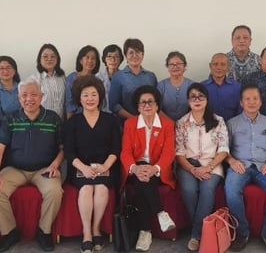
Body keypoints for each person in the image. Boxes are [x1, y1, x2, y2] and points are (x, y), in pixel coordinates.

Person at [0, 79, 63, 252]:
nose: (29, 99)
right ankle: (10, 231)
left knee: (55, 191)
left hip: (44, 169)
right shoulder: (11, 118)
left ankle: (44, 231)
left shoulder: (53, 118)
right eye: (24, 95)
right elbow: (1, 147)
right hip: (15, 169)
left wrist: (55, 165)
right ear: (19, 98)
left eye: (34, 94)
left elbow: (63, 148)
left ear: (42, 96)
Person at [225, 85, 266, 252]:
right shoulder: (231, 123)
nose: (251, 102)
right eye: (247, 99)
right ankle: (242, 233)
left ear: (261, 102)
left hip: (264, 167)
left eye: (255, 99)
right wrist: (231, 161)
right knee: (231, 192)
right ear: (241, 102)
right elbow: (224, 149)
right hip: (240, 166)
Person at [64, 76, 121, 253]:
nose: (90, 98)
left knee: (102, 189)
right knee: (87, 189)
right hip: (80, 169)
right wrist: (84, 168)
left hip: (106, 167)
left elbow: (116, 148)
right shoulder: (72, 122)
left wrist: (105, 166)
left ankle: (96, 229)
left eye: (94, 94)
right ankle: (87, 233)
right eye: (86, 95)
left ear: (100, 97)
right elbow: (69, 152)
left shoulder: (111, 120)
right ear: (79, 98)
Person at [120, 85, 176, 252]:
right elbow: (125, 152)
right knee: (142, 177)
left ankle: (145, 232)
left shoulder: (167, 125)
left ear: (157, 105)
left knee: (142, 183)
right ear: (138, 107)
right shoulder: (130, 124)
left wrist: (155, 168)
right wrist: (135, 169)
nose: (147, 105)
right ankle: (160, 214)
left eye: (150, 102)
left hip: (159, 169)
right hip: (136, 169)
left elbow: (169, 153)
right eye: (142, 102)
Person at [176, 82, 229, 251]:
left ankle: (196, 234)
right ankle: (202, 230)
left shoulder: (218, 121)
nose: (197, 100)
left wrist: (208, 167)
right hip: (188, 165)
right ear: (188, 101)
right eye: (193, 97)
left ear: (207, 99)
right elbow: (179, 153)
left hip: (212, 164)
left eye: (201, 96)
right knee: (189, 190)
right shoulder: (182, 122)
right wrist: (192, 169)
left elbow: (223, 150)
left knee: (207, 190)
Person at [108, 38, 157, 121]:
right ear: (126, 56)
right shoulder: (118, 77)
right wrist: (135, 119)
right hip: (126, 124)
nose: (134, 55)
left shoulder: (151, 76)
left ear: (143, 55)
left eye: (138, 52)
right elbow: (114, 105)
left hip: (150, 123)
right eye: (131, 53)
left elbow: (156, 101)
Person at [30, 43, 66, 120]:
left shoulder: (62, 77)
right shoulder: (34, 79)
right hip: (42, 123)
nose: (49, 59)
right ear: (40, 59)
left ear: (57, 59)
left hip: (60, 121)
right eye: (45, 56)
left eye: (53, 56)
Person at [202, 53, 241, 121]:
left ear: (229, 67)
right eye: (215, 64)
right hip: (208, 127)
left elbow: (240, 110)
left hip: (231, 126)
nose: (219, 67)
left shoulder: (236, 87)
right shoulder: (202, 87)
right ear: (210, 66)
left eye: (223, 64)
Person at [65, 45, 100, 119]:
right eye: (87, 57)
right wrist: (69, 122)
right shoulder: (71, 78)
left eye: (93, 58)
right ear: (81, 60)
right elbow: (69, 103)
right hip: (76, 118)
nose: (90, 61)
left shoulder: (98, 80)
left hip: (94, 118)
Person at [157, 51, 193, 121]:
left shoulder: (192, 85)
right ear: (168, 67)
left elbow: (197, 107)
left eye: (179, 64)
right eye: (171, 64)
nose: (175, 67)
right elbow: (156, 108)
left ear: (184, 66)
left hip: (188, 125)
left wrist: (183, 123)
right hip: (165, 124)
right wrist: (170, 123)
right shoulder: (161, 86)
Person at [96, 44, 124, 112]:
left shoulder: (125, 77)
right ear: (104, 59)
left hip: (122, 116)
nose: (113, 60)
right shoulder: (97, 78)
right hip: (102, 115)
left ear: (120, 59)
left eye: (116, 56)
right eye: (109, 56)